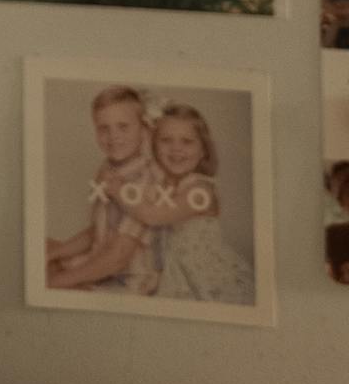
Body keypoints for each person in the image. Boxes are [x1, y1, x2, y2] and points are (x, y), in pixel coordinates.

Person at [56, 103, 254, 306]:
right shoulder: (158, 184)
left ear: (203, 150)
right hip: (169, 272)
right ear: (154, 145)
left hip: (205, 274)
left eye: (187, 142)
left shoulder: (202, 189)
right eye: (166, 140)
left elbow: (153, 215)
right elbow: (110, 228)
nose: (176, 148)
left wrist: (118, 190)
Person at [47, 86, 156, 293]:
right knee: (43, 249)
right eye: (103, 128)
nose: (112, 136)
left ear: (144, 129)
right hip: (101, 260)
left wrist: (58, 281)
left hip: (129, 277)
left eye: (123, 127)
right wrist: (53, 254)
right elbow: (98, 231)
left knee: (52, 284)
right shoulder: (107, 168)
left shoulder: (145, 180)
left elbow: (118, 257)